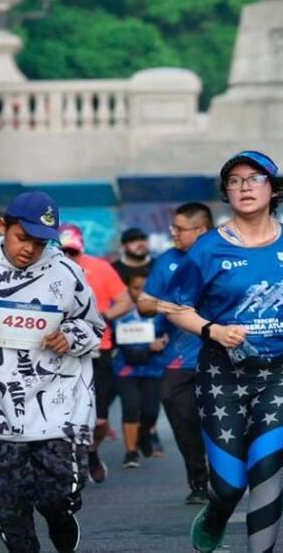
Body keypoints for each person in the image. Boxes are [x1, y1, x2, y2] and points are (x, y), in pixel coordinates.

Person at [160, 151, 283, 553]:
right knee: (228, 484)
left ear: (273, 189)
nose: (244, 187)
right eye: (235, 181)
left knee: (267, 470)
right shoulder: (207, 249)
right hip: (222, 373)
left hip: (280, 373)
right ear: (227, 192)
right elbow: (174, 307)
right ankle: (218, 512)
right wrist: (212, 329)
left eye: (254, 179)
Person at [0, 192, 104, 553]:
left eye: (41, 242)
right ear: (3, 227)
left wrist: (70, 337)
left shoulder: (68, 273)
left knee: (59, 494)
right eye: (22, 237)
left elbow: (95, 329)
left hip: (58, 408)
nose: (29, 249)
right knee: (11, 511)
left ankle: (60, 519)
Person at [138, 202, 214, 504]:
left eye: (180, 229)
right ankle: (198, 481)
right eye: (173, 227)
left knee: (222, 421)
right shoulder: (168, 261)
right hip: (178, 359)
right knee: (182, 419)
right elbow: (144, 303)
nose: (173, 233)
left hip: (220, 354)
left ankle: (228, 476)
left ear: (201, 230)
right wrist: (165, 306)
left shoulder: (222, 255)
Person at [59, 223, 131, 483]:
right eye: (62, 251)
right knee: (65, 413)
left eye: (72, 251)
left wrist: (103, 317)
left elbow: (125, 300)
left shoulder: (100, 267)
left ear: (81, 247)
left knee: (99, 419)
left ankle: (91, 451)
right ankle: (70, 463)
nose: (68, 257)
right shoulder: (45, 270)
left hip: (100, 348)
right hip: (60, 351)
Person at [112, 273, 168, 468]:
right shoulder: (119, 310)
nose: (140, 292)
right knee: (131, 407)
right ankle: (130, 452)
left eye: (145, 288)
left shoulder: (161, 311)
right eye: (136, 288)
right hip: (126, 368)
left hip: (153, 368)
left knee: (151, 411)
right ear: (128, 289)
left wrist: (163, 342)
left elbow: (171, 333)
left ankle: (144, 432)